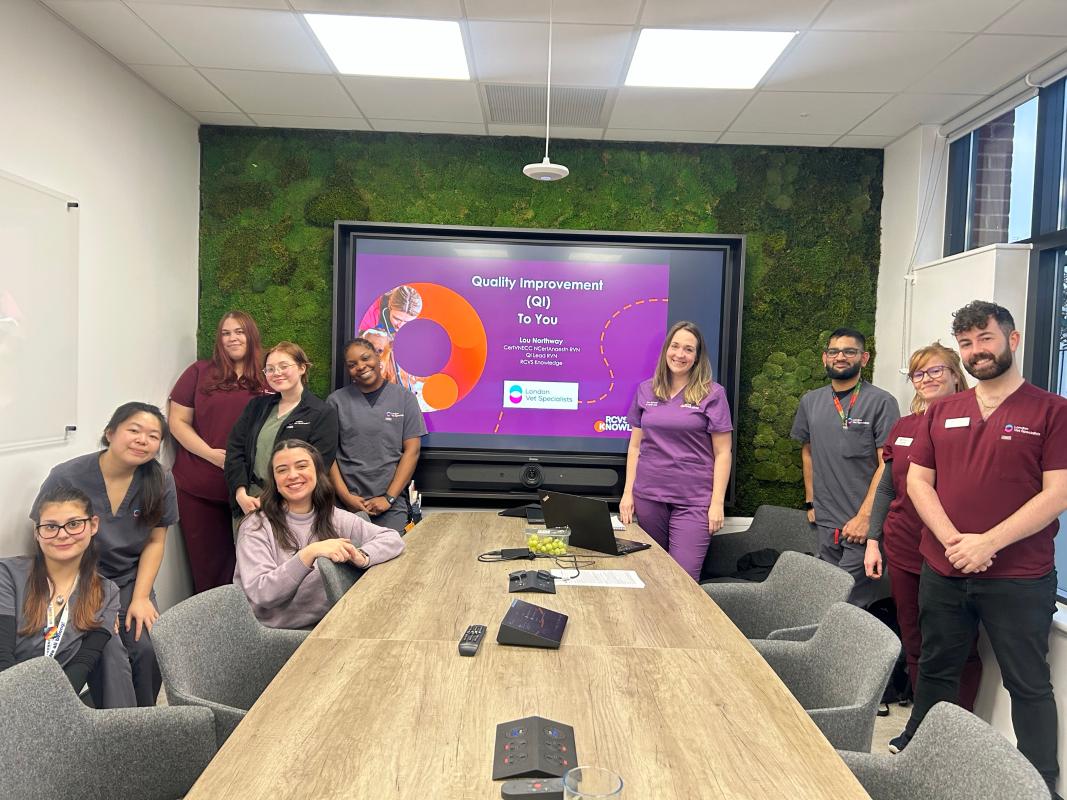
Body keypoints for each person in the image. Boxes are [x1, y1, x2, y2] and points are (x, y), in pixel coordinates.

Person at [890, 302, 1067, 799]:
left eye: (985, 339)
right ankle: (923, 770)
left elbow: (1057, 494)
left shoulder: (1052, 411)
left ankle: (1039, 785)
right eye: (966, 343)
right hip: (943, 570)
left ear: (1012, 340)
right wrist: (953, 542)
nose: (976, 351)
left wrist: (987, 543)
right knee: (936, 671)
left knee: (1028, 684)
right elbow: (920, 484)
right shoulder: (943, 412)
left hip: (1020, 576)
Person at [34, 402, 178, 706]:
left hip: (129, 581)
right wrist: (90, 597)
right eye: (134, 430)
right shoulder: (67, 476)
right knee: (108, 651)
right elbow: (49, 540)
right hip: (79, 581)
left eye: (153, 436)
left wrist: (140, 598)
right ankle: (115, 732)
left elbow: (155, 541)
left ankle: (146, 724)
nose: (143, 440)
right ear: (110, 432)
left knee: (146, 648)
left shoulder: (160, 479)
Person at [863, 343, 982, 709]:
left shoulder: (977, 424)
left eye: (935, 371)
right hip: (903, 547)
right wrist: (872, 538)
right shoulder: (905, 426)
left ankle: (958, 726)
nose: (926, 379)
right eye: (919, 373)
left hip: (953, 552)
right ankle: (924, 721)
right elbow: (887, 484)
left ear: (954, 374)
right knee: (914, 638)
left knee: (955, 644)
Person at [234, 440, 405, 629]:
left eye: (301, 466)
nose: (292, 475)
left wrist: (361, 556)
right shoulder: (255, 526)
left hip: (329, 623)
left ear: (317, 471)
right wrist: (309, 554)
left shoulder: (332, 516)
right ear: (274, 480)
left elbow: (392, 538)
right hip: (278, 634)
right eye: (282, 470)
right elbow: (263, 593)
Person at [790, 327, 899, 608]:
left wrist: (866, 518)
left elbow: (887, 464)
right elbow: (808, 451)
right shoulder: (811, 401)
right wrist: (810, 501)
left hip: (861, 525)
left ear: (864, 358)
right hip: (826, 522)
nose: (840, 357)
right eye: (834, 352)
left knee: (847, 605)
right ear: (824, 358)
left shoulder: (882, 402)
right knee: (824, 598)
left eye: (849, 351)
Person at [619, 321, 733, 580]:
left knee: (684, 580)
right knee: (652, 574)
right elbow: (635, 445)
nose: (680, 354)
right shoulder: (646, 389)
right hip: (649, 497)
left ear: (697, 357)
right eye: (675, 346)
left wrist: (717, 503)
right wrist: (628, 493)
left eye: (688, 349)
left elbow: (723, 453)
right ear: (666, 350)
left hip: (694, 502)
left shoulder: (712, 394)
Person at [169, 310, 267, 593]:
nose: (232, 338)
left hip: (254, 489)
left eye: (239, 331)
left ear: (251, 335)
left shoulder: (268, 375)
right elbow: (177, 422)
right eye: (226, 333)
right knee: (208, 566)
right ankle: (214, 632)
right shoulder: (198, 372)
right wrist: (211, 454)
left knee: (257, 561)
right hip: (200, 486)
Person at [0, 486, 120, 695]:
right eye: (50, 527)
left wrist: (52, 709)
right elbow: (2, 656)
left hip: (58, 700)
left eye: (74, 524)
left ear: (93, 525)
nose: (62, 535)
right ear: (37, 533)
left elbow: (83, 664)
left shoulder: (106, 593)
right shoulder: (7, 574)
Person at [224, 341, 339, 523]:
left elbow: (320, 466)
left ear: (302, 368)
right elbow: (235, 450)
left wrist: (272, 499)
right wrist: (240, 493)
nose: (276, 373)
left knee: (297, 553)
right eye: (269, 369)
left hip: (295, 505)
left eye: (283, 366)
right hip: (250, 502)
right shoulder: (256, 407)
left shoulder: (322, 413)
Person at [328, 337, 426, 533]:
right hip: (346, 505)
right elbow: (329, 456)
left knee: (392, 559)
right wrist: (346, 498)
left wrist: (389, 497)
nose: (361, 366)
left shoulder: (405, 399)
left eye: (366, 358)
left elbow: (412, 451)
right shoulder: (336, 402)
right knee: (344, 558)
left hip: (390, 504)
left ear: (378, 357)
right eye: (352, 364)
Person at [358, 285, 423, 337]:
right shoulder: (369, 313)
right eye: (397, 319)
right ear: (389, 306)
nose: (400, 326)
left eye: (406, 321)